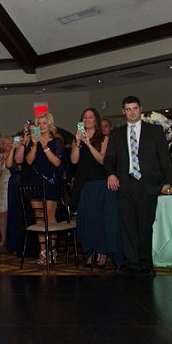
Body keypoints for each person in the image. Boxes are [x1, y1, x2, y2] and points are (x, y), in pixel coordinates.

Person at [103, 96, 172, 277]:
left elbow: (164, 158)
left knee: (145, 226)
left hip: (147, 184)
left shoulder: (155, 131)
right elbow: (109, 158)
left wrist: (167, 182)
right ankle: (131, 264)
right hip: (125, 184)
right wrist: (110, 174)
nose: (132, 112)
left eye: (135, 108)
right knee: (128, 226)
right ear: (123, 111)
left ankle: (145, 264)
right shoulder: (116, 133)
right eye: (128, 109)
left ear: (140, 109)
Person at [22, 111, 65, 266]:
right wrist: (34, 144)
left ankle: (52, 249)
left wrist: (45, 147)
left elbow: (57, 163)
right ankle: (42, 250)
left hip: (51, 182)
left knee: (49, 217)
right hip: (35, 181)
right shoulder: (33, 142)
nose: (41, 126)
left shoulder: (56, 141)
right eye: (39, 123)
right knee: (39, 217)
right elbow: (28, 161)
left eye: (44, 123)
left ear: (50, 124)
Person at [74, 108, 113, 270]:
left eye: (90, 117)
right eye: (85, 118)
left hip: (98, 183)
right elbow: (74, 161)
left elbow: (102, 160)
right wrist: (77, 143)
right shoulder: (77, 138)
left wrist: (89, 144)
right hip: (82, 183)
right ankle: (89, 253)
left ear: (96, 120)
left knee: (100, 220)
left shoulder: (103, 138)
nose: (87, 120)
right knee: (86, 220)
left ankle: (102, 253)